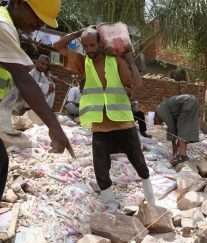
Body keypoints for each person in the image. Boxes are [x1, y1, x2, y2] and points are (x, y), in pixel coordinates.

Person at [0, 1, 74, 242]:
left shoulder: (2, 25)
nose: (40, 24)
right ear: (18, 3)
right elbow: (24, 80)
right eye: (38, 16)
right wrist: (55, 128)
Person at [53, 27, 156, 213]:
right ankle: (110, 208)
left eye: (92, 45)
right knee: (100, 168)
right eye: (85, 46)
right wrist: (80, 32)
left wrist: (130, 58)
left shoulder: (114, 61)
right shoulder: (83, 63)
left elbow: (138, 82)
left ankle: (152, 203)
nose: (89, 49)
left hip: (124, 122)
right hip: (100, 125)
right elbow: (57, 45)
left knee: (139, 163)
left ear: (101, 43)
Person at [154, 94, 199, 166]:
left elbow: (171, 127)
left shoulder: (160, 111)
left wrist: (174, 149)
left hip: (187, 102)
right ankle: (182, 153)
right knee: (186, 127)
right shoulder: (162, 108)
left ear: (155, 118)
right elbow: (174, 126)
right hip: (194, 100)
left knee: (181, 126)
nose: (159, 123)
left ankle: (182, 156)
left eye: (156, 123)